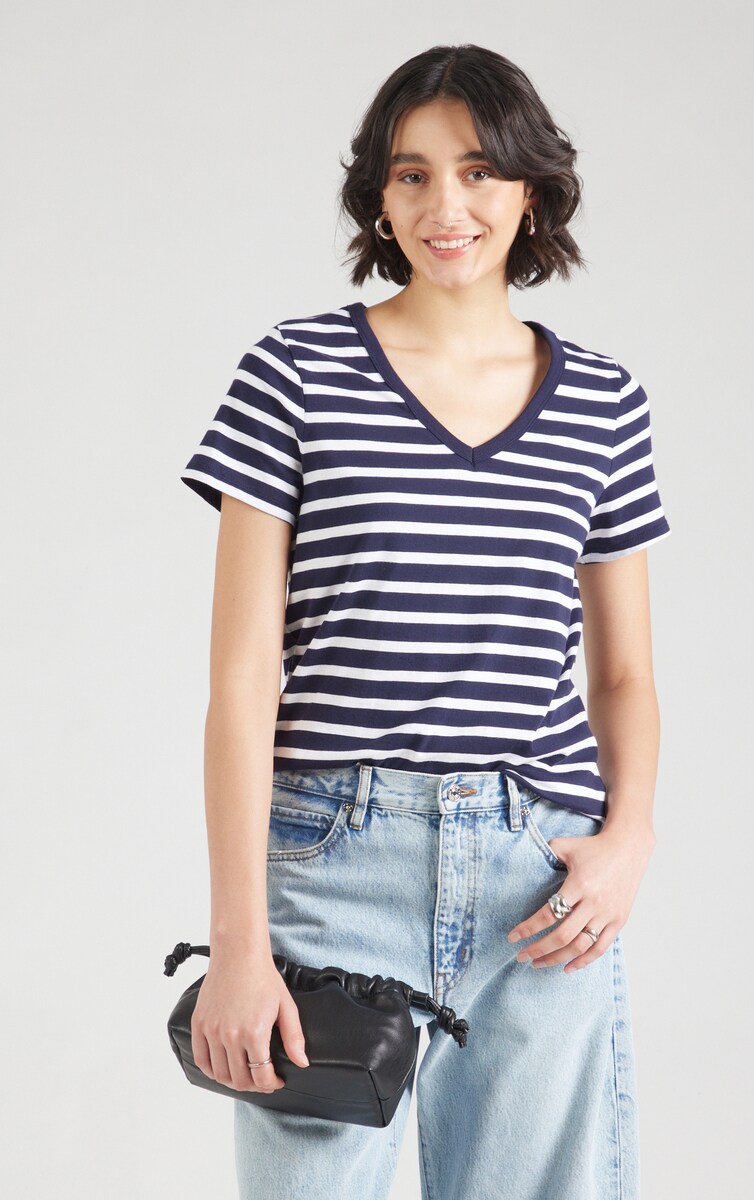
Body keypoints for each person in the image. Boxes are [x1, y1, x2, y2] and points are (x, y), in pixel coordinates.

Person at [179, 42, 672, 1200]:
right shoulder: (296, 373)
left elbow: (625, 677)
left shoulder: (604, 403)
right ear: (380, 198)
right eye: (413, 175)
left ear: (531, 191)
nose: (447, 205)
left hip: (540, 885)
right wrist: (239, 944)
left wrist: (630, 840)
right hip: (333, 866)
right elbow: (243, 681)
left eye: (479, 171)